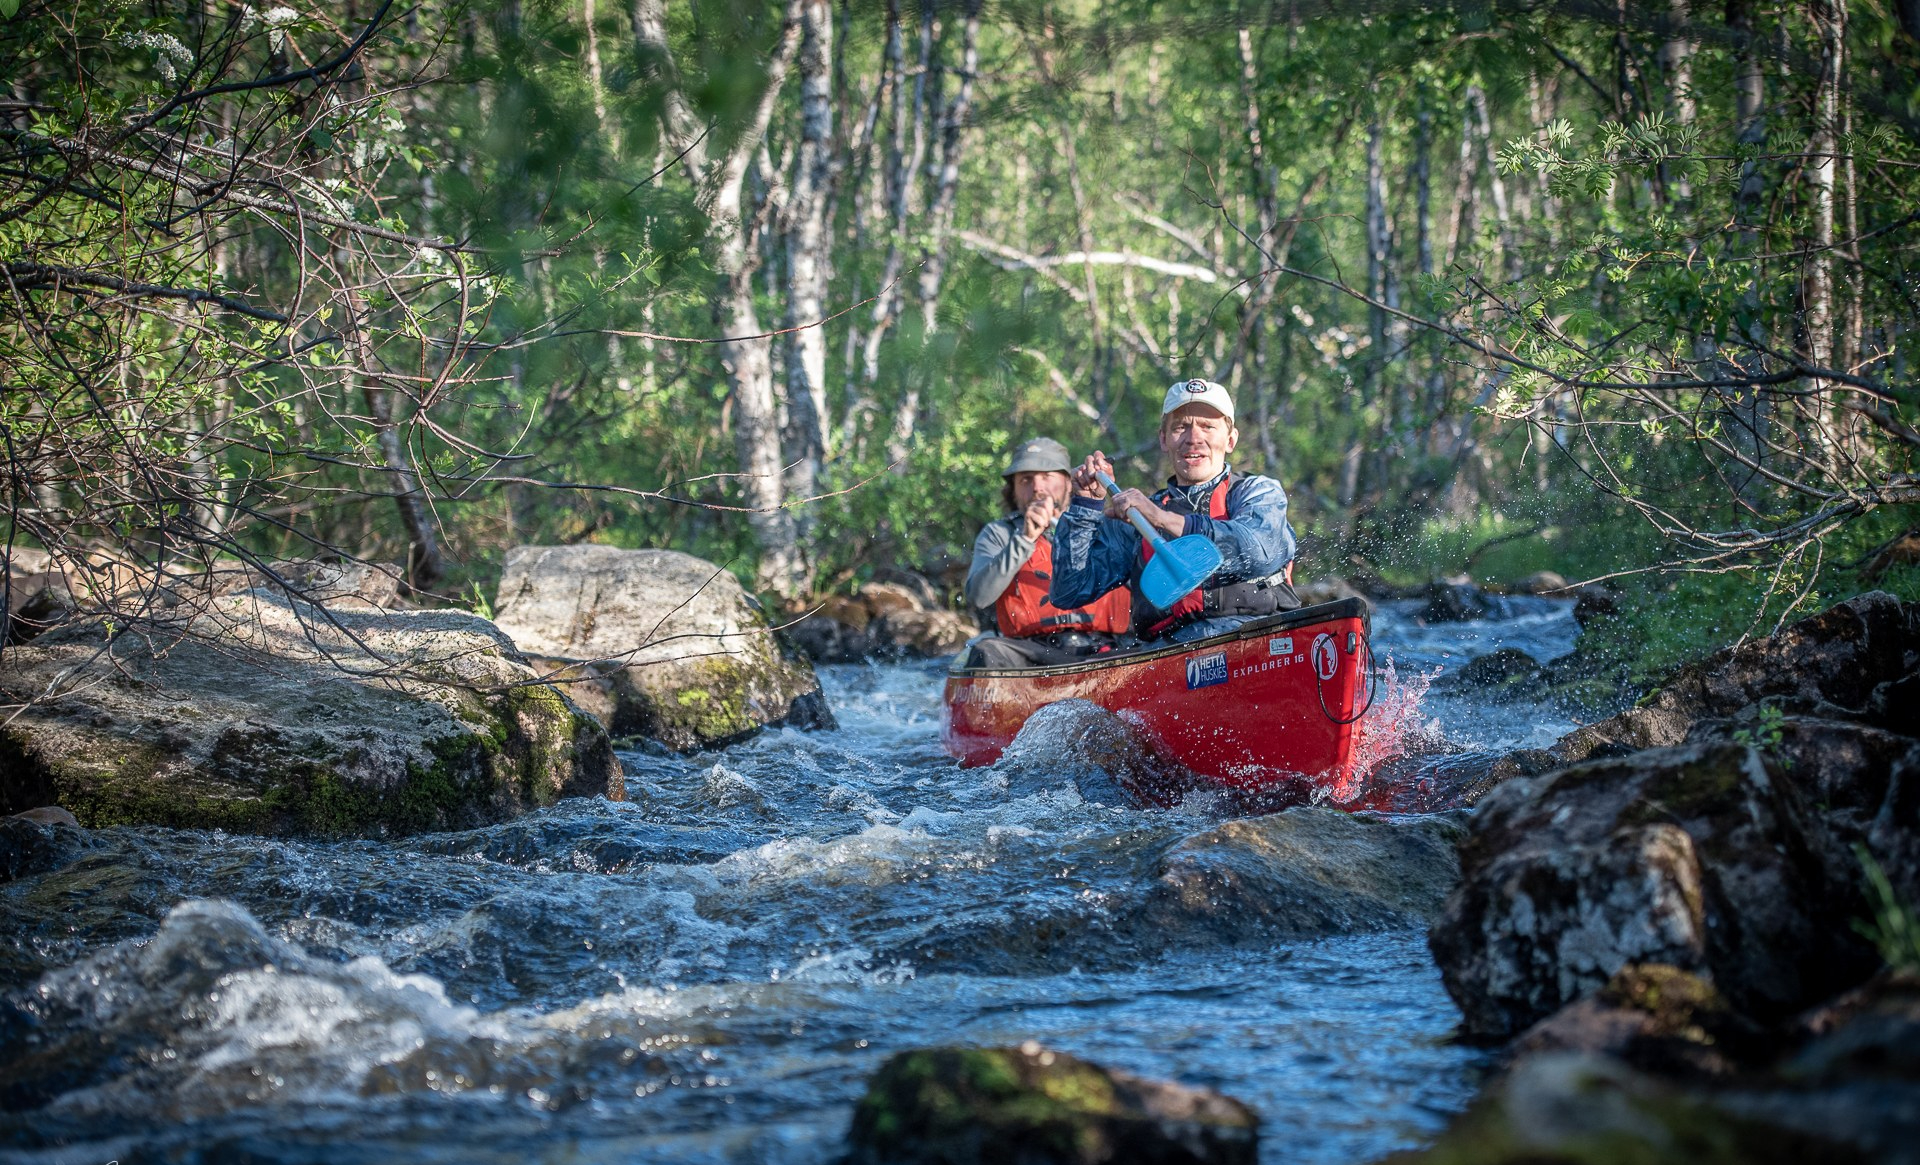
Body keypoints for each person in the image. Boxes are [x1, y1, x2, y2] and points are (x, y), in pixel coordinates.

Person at [1050, 379, 1299, 643]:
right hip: (1170, 654)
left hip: (1256, 641)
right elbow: (1069, 592)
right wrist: (1085, 509)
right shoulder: (1138, 519)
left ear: (1230, 440)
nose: (1194, 439)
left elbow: (1259, 553)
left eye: (1207, 427)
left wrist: (1164, 520)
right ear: (1164, 439)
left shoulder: (1258, 492)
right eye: (1181, 427)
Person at [961, 436, 1132, 669]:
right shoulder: (999, 533)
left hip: (1103, 649)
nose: (1037, 487)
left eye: (1046, 476)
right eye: (1026, 479)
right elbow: (979, 597)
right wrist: (1024, 540)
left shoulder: (1104, 527)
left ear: (1068, 482)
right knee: (986, 651)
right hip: (1030, 653)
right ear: (1012, 490)